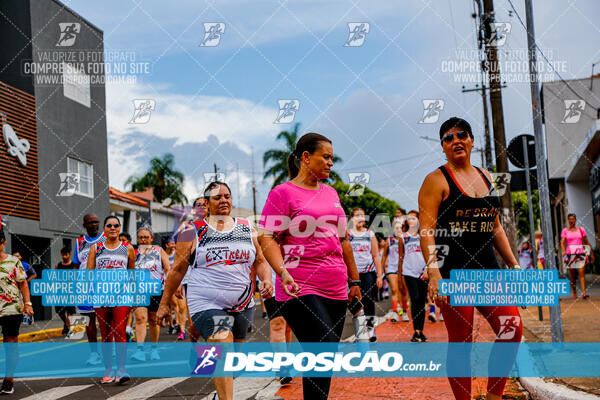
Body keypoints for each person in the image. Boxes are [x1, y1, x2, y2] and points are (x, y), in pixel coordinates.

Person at [419, 117, 523, 400]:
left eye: (461, 135)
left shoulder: (488, 177)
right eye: (449, 138)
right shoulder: (435, 181)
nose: (456, 141)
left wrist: (514, 265)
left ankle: (493, 395)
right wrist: (435, 274)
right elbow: (426, 232)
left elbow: (496, 227)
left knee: (512, 330)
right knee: (462, 342)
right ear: (443, 146)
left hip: (488, 271)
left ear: (472, 140)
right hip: (453, 273)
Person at [258, 132, 362, 400]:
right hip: (299, 285)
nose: (330, 163)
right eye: (325, 157)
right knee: (321, 346)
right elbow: (266, 237)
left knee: (325, 358)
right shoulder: (283, 193)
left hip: (336, 285)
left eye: (331, 158)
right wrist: (282, 271)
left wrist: (355, 281)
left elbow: (343, 241)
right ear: (306, 157)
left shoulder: (331, 193)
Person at [157, 181, 273, 400]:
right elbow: (177, 270)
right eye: (217, 197)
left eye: (227, 196)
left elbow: (260, 261)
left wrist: (266, 279)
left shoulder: (247, 228)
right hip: (206, 302)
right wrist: (164, 303)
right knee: (222, 342)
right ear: (207, 204)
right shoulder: (191, 232)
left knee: (234, 362)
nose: (223, 200)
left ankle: (219, 394)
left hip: (242, 302)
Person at [86, 215, 135, 385]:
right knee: (106, 334)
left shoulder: (127, 249)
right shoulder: (96, 248)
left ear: (119, 228)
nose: (113, 228)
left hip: (122, 296)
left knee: (120, 331)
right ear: (104, 229)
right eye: (109, 225)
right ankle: (108, 370)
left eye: (116, 225)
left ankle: (121, 369)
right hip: (101, 296)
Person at [0, 230, 34, 395]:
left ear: (4, 242)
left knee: (10, 344)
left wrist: (27, 303)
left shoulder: (14, 262)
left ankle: (9, 379)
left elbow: (23, 284)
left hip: (11, 309)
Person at [131, 227, 170, 362]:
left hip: (156, 290)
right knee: (141, 318)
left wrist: (170, 288)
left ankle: (154, 348)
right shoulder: (133, 253)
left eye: (146, 237)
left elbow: (167, 269)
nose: (143, 240)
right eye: (141, 237)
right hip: (139, 290)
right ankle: (140, 350)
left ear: (151, 238)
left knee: (154, 321)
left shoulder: (159, 251)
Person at [73, 213, 105, 366]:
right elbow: (75, 265)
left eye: (96, 221)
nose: (94, 224)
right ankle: (94, 353)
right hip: (84, 287)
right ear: (84, 224)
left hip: (103, 286)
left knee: (107, 319)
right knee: (89, 320)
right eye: (90, 222)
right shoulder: (79, 242)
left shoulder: (106, 239)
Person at [348, 208, 383, 342]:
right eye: (357, 215)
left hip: (368, 272)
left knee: (368, 301)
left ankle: (371, 329)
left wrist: (379, 276)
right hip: (353, 275)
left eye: (362, 215)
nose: (360, 218)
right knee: (355, 303)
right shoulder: (348, 234)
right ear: (351, 218)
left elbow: (375, 256)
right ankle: (360, 333)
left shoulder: (370, 234)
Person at [398, 211, 428, 342]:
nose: (411, 221)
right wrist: (400, 276)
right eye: (409, 219)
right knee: (414, 299)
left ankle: (420, 331)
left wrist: (428, 269)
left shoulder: (424, 235)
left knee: (422, 300)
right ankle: (416, 331)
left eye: (414, 218)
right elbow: (401, 257)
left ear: (418, 220)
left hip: (423, 272)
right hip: (409, 272)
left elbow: (431, 254)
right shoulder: (403, 237)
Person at [264, 268, 293, 385]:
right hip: (270, 282)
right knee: (278, 324)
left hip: (293, 280)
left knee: (288, 327)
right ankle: (283, 368)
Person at [561, 213, 595, 299]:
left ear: (575, 220)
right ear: (568, 220)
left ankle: (584, 293)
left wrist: (591, 254)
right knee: (572, 275)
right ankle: (575, 293)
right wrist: (564, 251)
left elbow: (586, 242)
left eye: (573, 219)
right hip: (570, 254)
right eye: (570, 219)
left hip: (580, 253)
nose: (571, 220)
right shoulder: (565, 231)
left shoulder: (581, 230)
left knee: (581, 272)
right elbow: (562, 242)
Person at [381, 222, 410, 322]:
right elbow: (384, 255)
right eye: (396, 228)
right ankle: (395, 312)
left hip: (404, 269)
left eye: (399, 228)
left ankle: (404, 312)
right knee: (394, 290)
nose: (398, 230)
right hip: (392, 269)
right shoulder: (389, 241)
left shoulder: (406, 240)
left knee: (403, 290)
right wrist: (381, 269)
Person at [54, 247, 76, 337]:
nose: (64, 256)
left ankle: (68, 329)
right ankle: (66, 324)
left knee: (70, 311)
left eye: (66, 254)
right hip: (60, 291)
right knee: (59, 311)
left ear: (69, 255)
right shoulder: (58, 265)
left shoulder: (73, 265)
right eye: (63, 254)